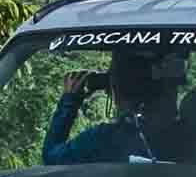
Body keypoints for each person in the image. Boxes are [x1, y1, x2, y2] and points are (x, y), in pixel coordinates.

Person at [43, 47, 188, 165]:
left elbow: (51, 157)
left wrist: (69, 101)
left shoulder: (103, 140)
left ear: (116, 88)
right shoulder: (193, 139)